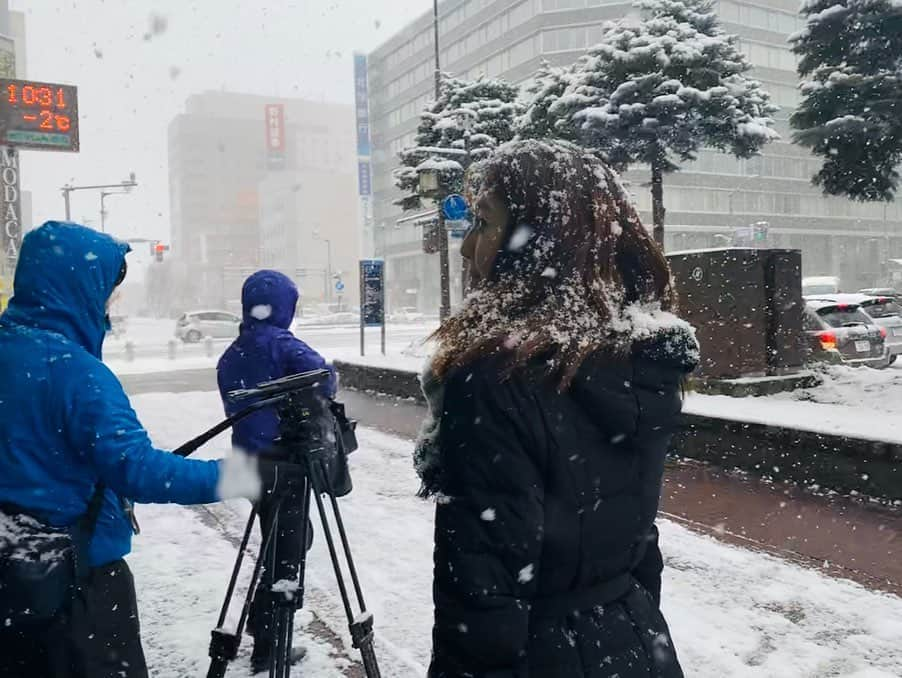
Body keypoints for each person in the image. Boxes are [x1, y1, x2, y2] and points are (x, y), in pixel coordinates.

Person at [414, 140, 699, 678]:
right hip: (635, 641)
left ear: (542, 242)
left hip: (541, 654)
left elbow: (482, 594)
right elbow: (641, 543)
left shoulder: (498, 377)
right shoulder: (633, 360)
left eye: (485, 221)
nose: (468, 245)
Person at [0, 221, 259, 678]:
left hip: (12, 574)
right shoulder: (75, 372)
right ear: (77, 287)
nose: (109, 304)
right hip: (77, 585)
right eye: (106, 290)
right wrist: (246, 475)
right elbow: (138, 470)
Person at [217, 269, 336, 674]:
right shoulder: (282, 344)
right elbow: (324, 378)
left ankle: (264, 627)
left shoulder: (233, 352)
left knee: (278, 543)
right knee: (286, 554)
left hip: (248, 466)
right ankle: (270, 644)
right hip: (284, 464)